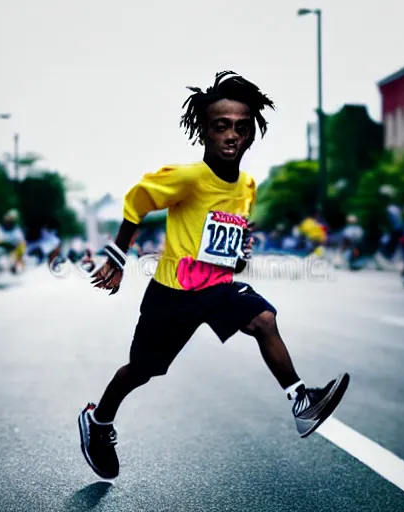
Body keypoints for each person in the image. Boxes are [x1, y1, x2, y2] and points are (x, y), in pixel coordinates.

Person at [78, 71, 350, 480]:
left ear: (252, 134)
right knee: (143, 370)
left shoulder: (248, 185)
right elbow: (136, 200)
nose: (231, 136)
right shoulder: (187, 178)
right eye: (220, 126)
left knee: (263, 319)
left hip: (218, 288)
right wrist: (117, 256)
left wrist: (239, 251)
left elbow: (228, 243)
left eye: (241, 128)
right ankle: (98, 421)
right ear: (203, 131)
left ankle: (301, 400)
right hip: (172, 293)